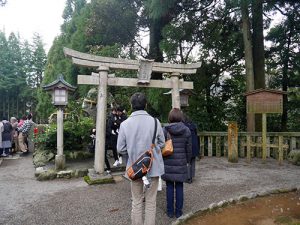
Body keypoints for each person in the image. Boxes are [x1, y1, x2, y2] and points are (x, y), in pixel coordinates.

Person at [117, 92, 165, 225]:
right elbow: (162, 143)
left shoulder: (125, 124)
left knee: (136, 201)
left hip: (134, 168)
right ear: (146, 105)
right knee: (151, 202)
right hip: (152, 167)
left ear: (131, 105)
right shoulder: (155, 122)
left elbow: (120, 149)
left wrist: (133, 150)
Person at [162, 108, 192, 218]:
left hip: (168, 162)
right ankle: (179, 212)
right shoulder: (186, 130)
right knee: (179, 187)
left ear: (170, 117)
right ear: (180, 117)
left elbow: (160, 146)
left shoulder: (165, 130)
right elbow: (189, 149)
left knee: (169, 186)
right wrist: (188, 161)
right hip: (181, 162)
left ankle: (170, 212)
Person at [183, 115, 200, 182]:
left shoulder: (184, 127)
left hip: (188, 146)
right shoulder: (194, 126)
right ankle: (192, 176)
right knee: (193, 162)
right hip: (195, 146)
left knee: (187, 162)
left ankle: (188, 178)